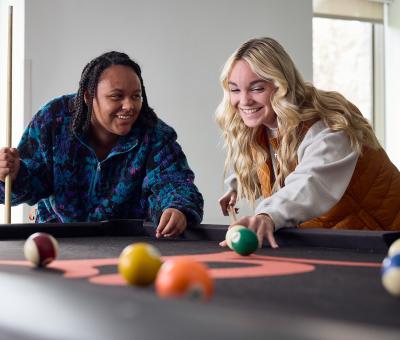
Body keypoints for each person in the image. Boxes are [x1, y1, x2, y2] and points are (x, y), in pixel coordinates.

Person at [216, 37, 400, 248]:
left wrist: (268, 214)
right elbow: (274, 164)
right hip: (339, 245)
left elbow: (311, 181)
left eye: (257, 89)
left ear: (281, 84)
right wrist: (238, 184)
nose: (245, 100)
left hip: (385, 240)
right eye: (235, 90)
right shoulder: (263, 125)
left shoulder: (330, 123)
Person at [0, 51, 203, 238]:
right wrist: (12, 174)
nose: (129, 106)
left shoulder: (155, 134)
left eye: (136, 96)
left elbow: (174, 182)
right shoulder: (53, 120)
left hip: (127, 247)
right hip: (56, 241)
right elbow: (29, 185)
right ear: (89, 96)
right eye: (117, 96)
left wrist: (178, 207)